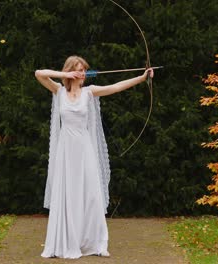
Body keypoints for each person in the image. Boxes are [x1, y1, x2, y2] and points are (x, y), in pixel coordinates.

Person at [35, 55, 154, 259]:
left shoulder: (89, 92)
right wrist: (64, 74)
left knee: (91, 195)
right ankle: (67, 242)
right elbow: (39, 74)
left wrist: (142, 78)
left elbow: (116, 87)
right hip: (66, 152)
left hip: (84, 149)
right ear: (71, 71)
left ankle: (98, 243)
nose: (82, 73)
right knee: (68, 195)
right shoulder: (59, 91)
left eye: (83, 70)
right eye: (79, 70)